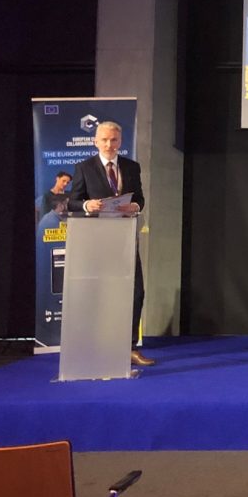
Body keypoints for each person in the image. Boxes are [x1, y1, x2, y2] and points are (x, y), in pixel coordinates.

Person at [66, 121, 153, 367]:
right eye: (104, 140)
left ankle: (129, 348)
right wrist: (87, 205)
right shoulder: (84, 167)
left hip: (125, 239)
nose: (109, 144)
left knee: (136, 292)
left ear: (120, 142)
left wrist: (134, 206)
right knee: (100, 294)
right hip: (98, 240)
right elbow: (72, 202)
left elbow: (140, 198)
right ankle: (98, 347)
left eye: (113, 140)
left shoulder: (131, 167)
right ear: (95, 141)